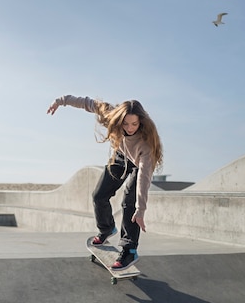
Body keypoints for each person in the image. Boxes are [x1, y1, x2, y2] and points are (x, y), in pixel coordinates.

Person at [47, 95, 163, 269]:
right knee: (99, 196)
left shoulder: (146, 145)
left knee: (129, 203)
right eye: (125, 124)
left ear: (141, 122)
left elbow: (144, 177)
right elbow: (88, 103)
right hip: (120, 157)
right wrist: (61, 101)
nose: (129, 128)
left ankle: (129, 250)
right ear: (119, 120)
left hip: (139, 164)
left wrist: (141, 209)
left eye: (134, 124)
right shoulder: (111, 114)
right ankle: (106, 228)